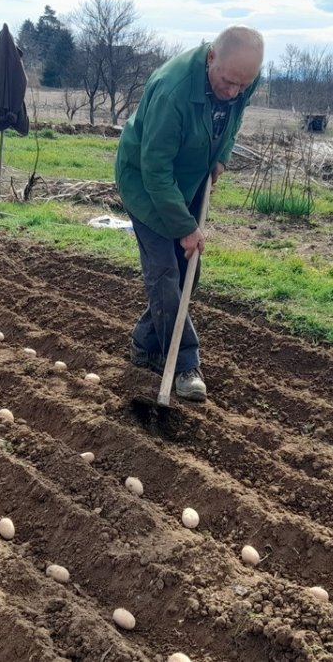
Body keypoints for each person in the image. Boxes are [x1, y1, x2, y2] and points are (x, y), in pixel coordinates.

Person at [115, 25, 264, 403]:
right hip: (148, 184)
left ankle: (143, 342)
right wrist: (184, 227)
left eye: (240, 86)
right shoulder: (173, 90)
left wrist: (221, 158)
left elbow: (234, 119)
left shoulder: (244, 76)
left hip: (193, 173)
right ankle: (184, 365)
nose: (232, 92)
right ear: (211, 57)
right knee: (165, 274)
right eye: (227, 82)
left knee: (188, 274)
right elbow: (156, 170)